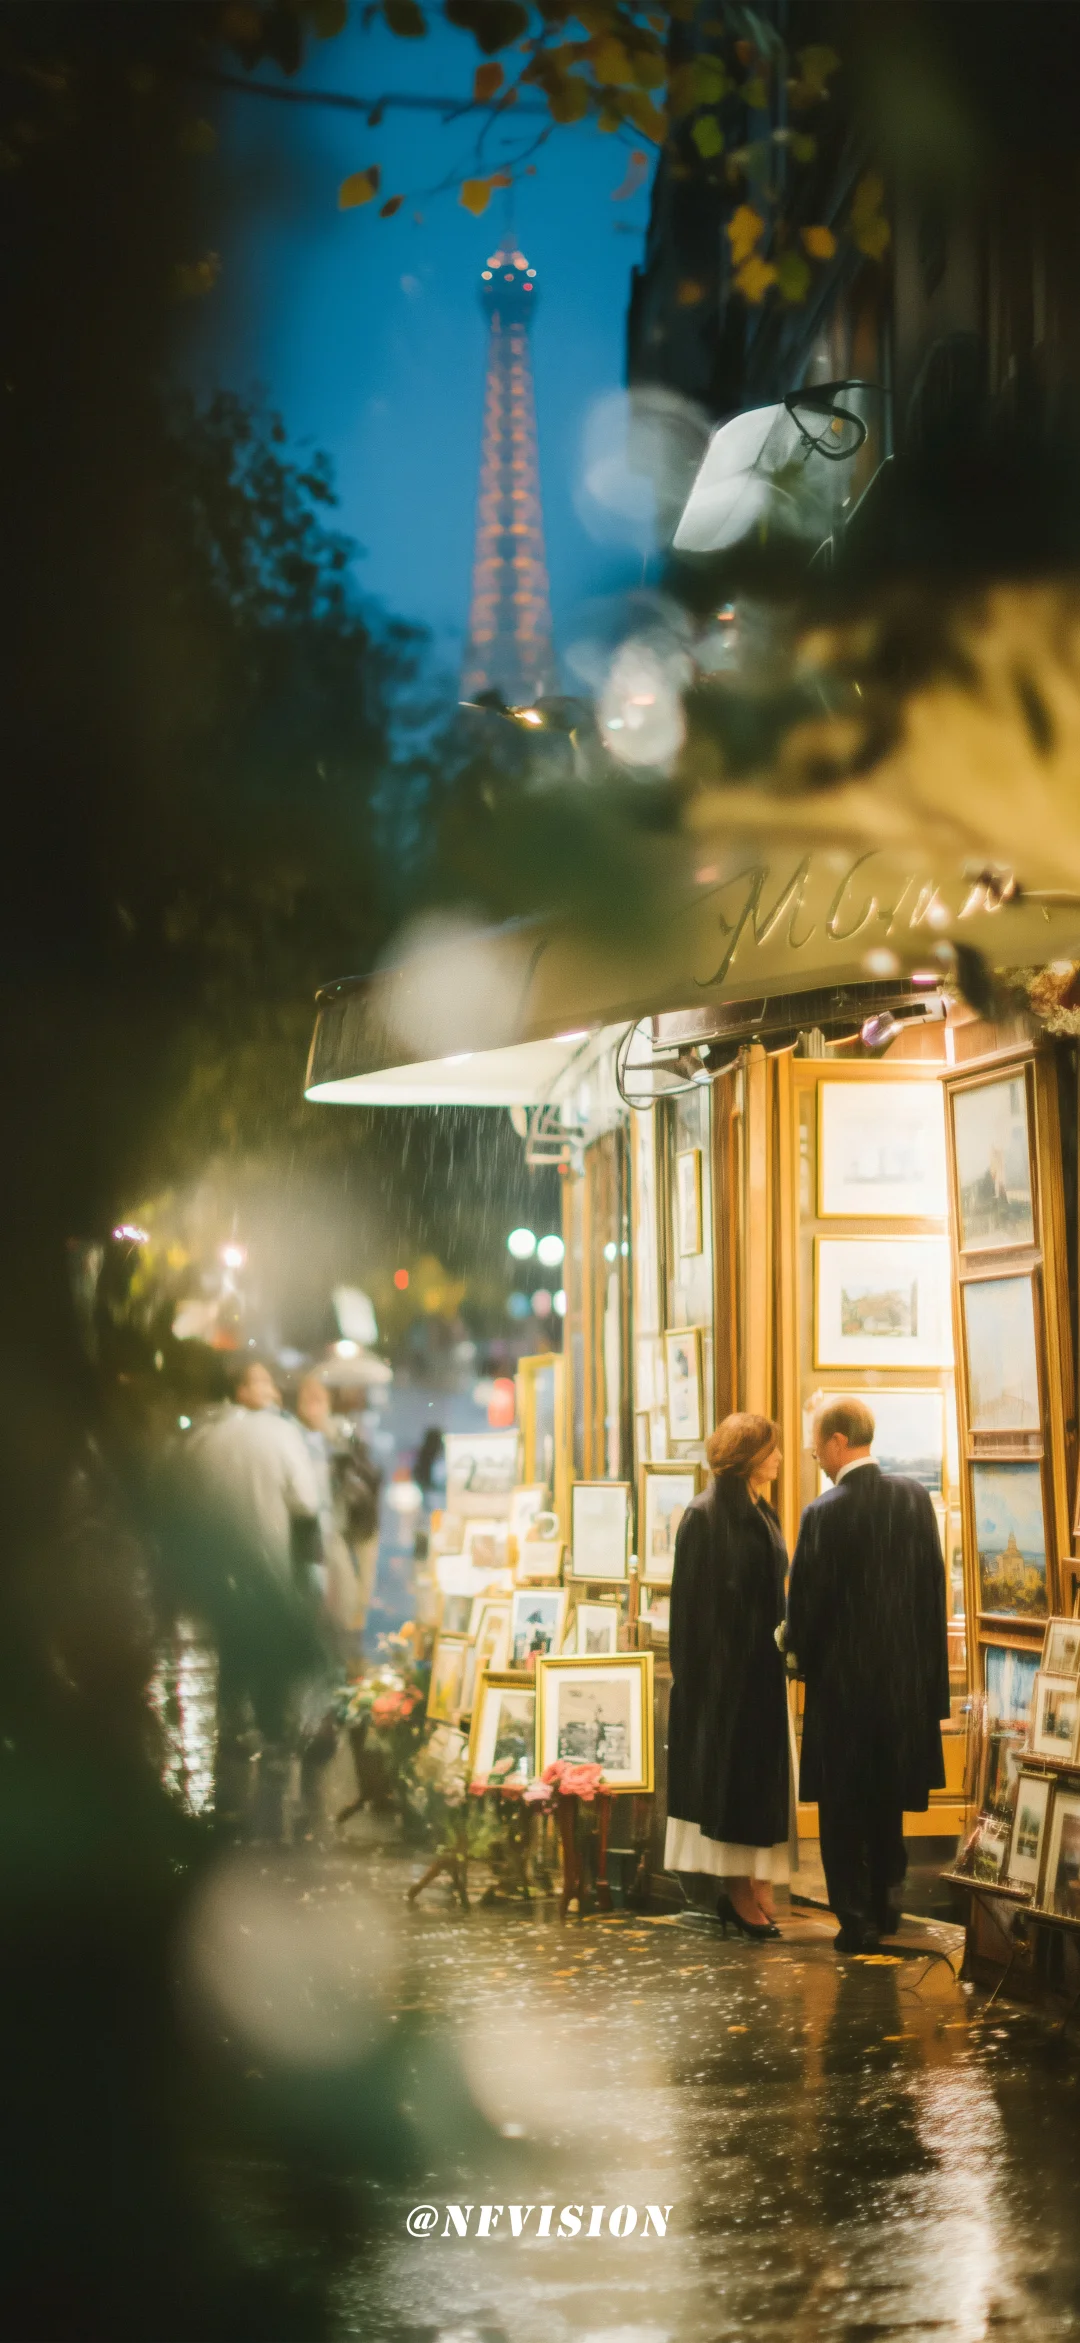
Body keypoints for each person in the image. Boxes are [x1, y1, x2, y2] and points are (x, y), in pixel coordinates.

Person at [786, 1397, 951, 1954]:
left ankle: (854, 1920)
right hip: (903, 1689)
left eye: (816, 1444)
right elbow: (934, 1590)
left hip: (844, 1691)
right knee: (887, 1802)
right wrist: (929, 1683)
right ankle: (887, 1905)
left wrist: (797, 1658)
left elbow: (804, 1609)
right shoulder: (913, 1499)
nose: (814, 1454)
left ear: (837, 1441)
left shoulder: (822, 1514)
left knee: (841, 1808)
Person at [183, 1356, 322, 1839]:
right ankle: (268, 1815)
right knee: (276, 1703)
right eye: (260, 1378)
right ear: (241, 1388)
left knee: (230, 1693)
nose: (269, 1387)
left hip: (221, 1586)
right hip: (271, 1583)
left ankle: (227, 1804)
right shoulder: (280, 1436)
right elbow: (306, 1502)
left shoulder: (203, 1439)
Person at [665, 1412, 792, 1939]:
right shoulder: (705, 1516)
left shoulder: (761, 1510)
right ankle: (739, 1895)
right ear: (750, 1459)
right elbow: (689, 1612)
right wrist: (698, 1682)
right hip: (727, 1681)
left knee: (758, 1788)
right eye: (772, 1450)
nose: (781, 1459)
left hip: (760, 1673)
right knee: (738, 1790)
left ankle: (755, 1890)